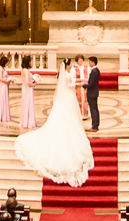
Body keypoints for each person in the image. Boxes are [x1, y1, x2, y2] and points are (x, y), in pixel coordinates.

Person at [15, 57, 96, 186]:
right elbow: (69, 85)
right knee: (67, 115)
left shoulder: (64, 74)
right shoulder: (68, 74)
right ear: (67, 65)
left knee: (67, 115)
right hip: (68, 97)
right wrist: (77, 83)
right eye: (70, 64)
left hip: (66, 98)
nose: (71, 66)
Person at [18, 58, 37, 130]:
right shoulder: (25, 70)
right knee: (28, 104)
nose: (31, 62)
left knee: (26, 104)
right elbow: (27, 82)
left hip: (26, 89)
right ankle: (28, 122)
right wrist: (34, 84)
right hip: (27, 89)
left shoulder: (23, 70)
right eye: (30, 61)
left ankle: (26, 121)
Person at [85, 55, 102, 131]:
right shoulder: (97, 70)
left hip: (92, 93)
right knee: (95, 109)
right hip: (95, 92)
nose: (89, 63)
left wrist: (84, 85)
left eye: (90, 62)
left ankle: (94, 126)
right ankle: (96, 125)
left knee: (93, 110)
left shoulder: (94, 71)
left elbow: (91, 84)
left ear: (93, 62)